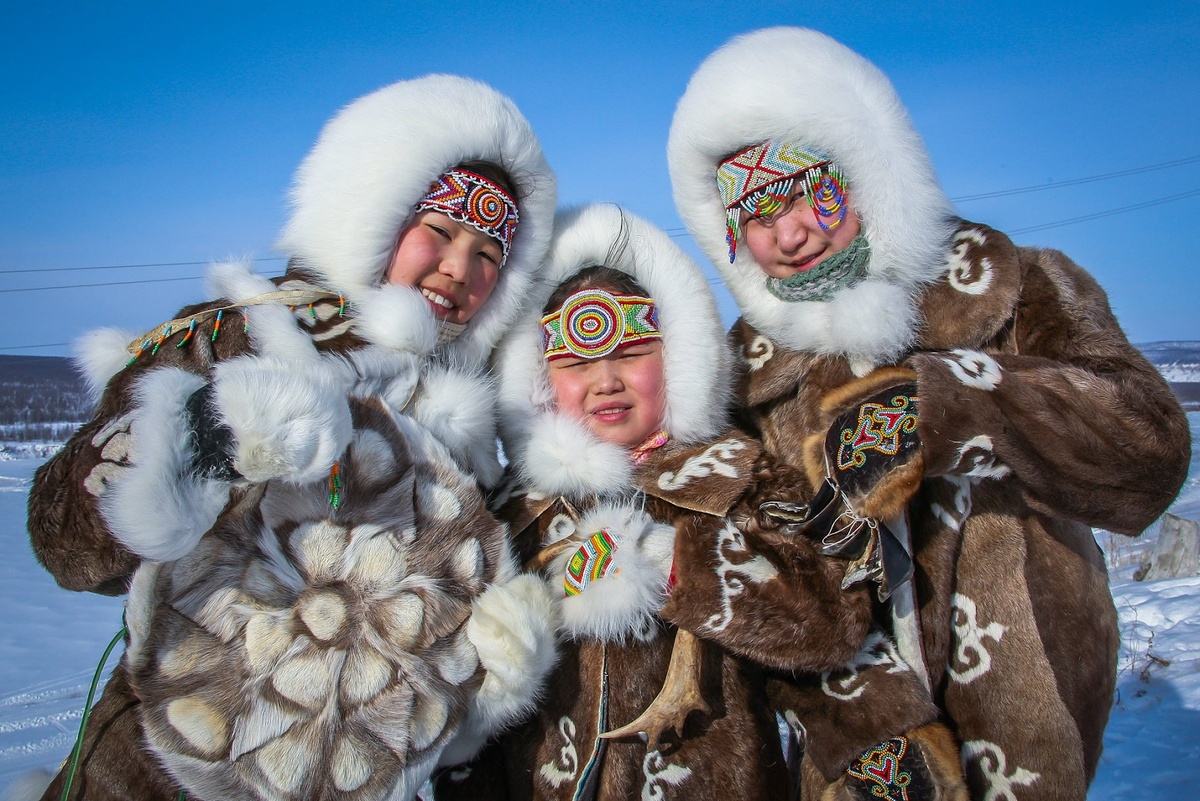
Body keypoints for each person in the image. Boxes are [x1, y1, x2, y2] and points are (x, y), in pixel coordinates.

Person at [668, 26, 1191, 801]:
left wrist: (953, 402)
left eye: (813, 189)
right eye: (755, 212)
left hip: (1041, 724)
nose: (791, 232)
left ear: (867, 170)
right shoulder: (743, 381)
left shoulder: (1013, 287)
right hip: (862, 771)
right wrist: (868, 738)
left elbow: (1151, 448)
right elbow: (770, 594)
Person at [26, 75, 559, 801]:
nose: (459, 270)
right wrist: (201, 441)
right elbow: (65, 544)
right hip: (158, 765)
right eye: (437, 231)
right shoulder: (238, 333)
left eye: (489, 256)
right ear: (371, 209)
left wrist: (493, 666)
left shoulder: (464, 420)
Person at [435, 204, 959, 800]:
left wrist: (675, 559)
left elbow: (832, 625)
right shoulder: (508, 520)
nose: (606, 381)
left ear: (676, 358)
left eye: (631, 354)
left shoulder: (743, 478)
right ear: (540, 379)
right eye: (578, 363)